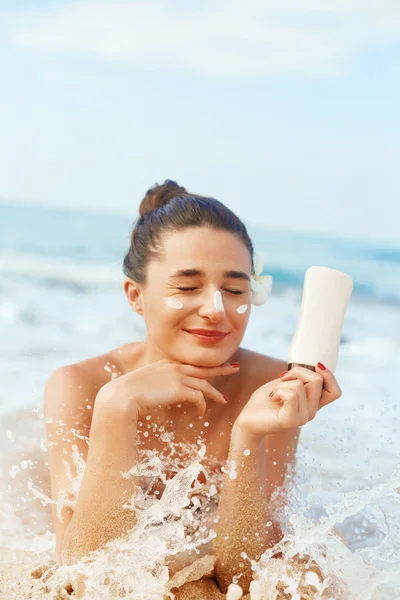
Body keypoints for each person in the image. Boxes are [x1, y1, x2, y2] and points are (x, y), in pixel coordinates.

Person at [43, 180, 342, 596]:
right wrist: (115, 408)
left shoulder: (272, 388)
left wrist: (249, 436)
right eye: (186, 287)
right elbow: (85, 571)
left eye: (235, 290)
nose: (216, 310)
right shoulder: (83, 385)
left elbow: (249, 578)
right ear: (135, 295)